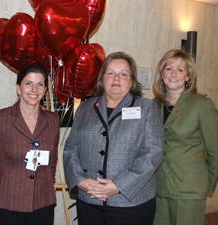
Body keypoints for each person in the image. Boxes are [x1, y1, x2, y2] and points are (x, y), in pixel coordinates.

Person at [63, 51, 164, 225]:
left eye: (123, 74)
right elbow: (71, 148)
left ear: (132, 81)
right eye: (111, 73)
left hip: (131, 203)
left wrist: (119, 185)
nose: (116, 78)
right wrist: (80, 181)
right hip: (90, 200)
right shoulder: (85, 108)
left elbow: (152, 153)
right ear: (102, 78)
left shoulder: (147, 109)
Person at [152, 49, 218, 225]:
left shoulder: (202, 105)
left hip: (189, 189)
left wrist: (205, 183)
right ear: (162, 74)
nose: (173, 74)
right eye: (169, 69)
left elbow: (217, 152)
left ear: (188, 77)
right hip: (159, 187)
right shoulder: (154, 106)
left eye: (180, 70)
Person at [0, 62, 60, 225]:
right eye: (28, 83)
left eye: (39, 84)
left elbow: (52, 161)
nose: (34, 90)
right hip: (9, 204)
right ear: (18, 88)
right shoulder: (0, 118)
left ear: (45, 90)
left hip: (42, 203)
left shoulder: (53, 120)